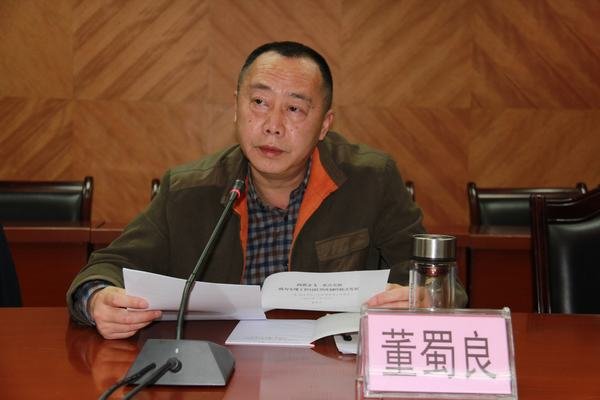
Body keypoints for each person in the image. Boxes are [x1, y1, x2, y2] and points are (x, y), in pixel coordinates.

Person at [67, 41, 465, 339]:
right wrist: (98, 300)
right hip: (220, 367)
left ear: (324, 125)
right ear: (236, 107)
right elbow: (104, 269)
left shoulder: (371, 180)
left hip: (329, 371)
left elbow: (439, 284)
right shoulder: (188, 188)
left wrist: (424, 298)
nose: (273, 125)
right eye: (259, 102)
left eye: (294, 109)